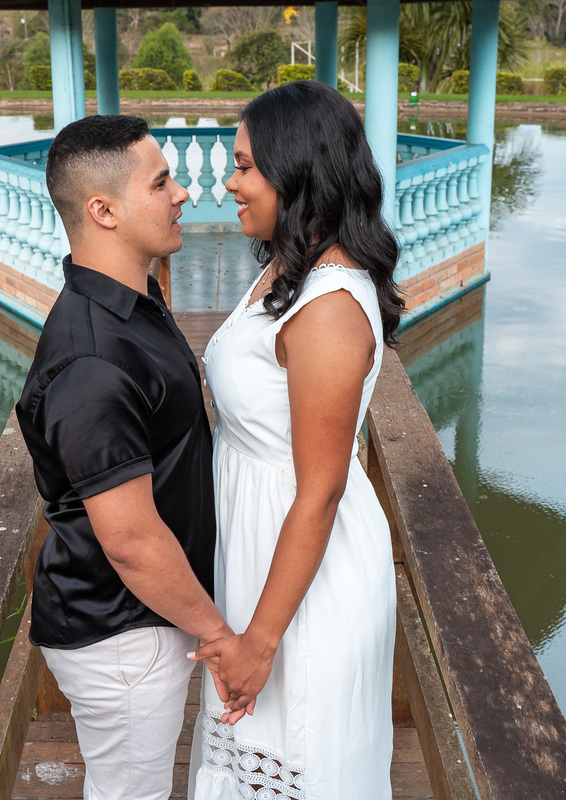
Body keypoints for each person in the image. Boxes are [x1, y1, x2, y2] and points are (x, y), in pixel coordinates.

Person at [188, 81, 406, 799]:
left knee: (299, 759)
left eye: (246, 165)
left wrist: (260, 641)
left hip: (305, 577)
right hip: (259, 545)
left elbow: (321, 489)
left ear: (297, 171)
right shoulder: (289, 269)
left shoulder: (330, 307)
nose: (230, 181)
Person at [15, 114, 232, 800]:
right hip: (122, 632)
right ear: (101, 210)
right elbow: (132, 541)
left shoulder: (134, 299)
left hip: (145, 616)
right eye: (162, 182)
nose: (184, 195)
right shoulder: (94, 360)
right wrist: (219, 634)